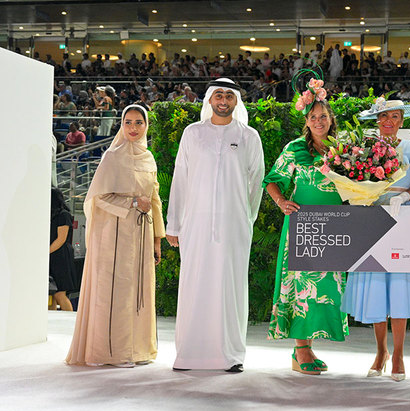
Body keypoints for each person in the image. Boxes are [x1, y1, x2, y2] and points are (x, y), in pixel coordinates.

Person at [166, 78, 265, 373]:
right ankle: (189, 354)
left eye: (229, 96)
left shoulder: (248, 136)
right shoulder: (193, 133)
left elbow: (256, 181)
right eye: (218, 95)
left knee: (230, 286)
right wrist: (174, 224)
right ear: (209, 99)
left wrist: (246, 217)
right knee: (194, 283)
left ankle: (230, 355)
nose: (223, 101)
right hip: (195, 224)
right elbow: (180, 178)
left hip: (234, 225)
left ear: (236, 101)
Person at [339, 99, 410, 381]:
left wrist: (404, 196)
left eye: (394, 116)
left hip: (403, 220)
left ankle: (399, 354)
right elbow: (354, 179)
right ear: (377, 120)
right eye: (384, 116)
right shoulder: (365, 147)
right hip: (372, 219)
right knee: (376, 287)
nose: (389, 121)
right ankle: (381, 352)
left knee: (400, 287)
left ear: (402, 120)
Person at [66, 104, 165, 367]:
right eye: (128, 122)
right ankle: (112, 352)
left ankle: (137, 350)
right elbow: (97, 198)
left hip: (142, 234)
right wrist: (131, 203)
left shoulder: (148, 158)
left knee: (138, 291)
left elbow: (155, 199)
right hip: (114, 235)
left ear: (146, 126)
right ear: (121, 125)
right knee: (116, 291)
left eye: (138, 123)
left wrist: (157, 239)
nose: (133, 128)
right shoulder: (112, 156)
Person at [264, 74, 348, 375]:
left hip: (334, 227)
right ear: (306, 121)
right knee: (301, 288)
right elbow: (272, 181)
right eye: (313, 117)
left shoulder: (343, 149)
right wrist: (280, 202)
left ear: (331, 118)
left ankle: (306, 348)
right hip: (303, 226)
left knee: (324, 288)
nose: (318, 121)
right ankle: (300, 348)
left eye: (323, 116)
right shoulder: (295, 148)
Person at [49, 187, 78, 312]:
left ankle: (69, 319)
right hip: (53, 255)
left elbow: (61, 239)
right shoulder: (52, 215)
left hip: (61, 257)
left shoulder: (63, 215)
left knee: (59, 293)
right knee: (51, 292)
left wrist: (46, 252)